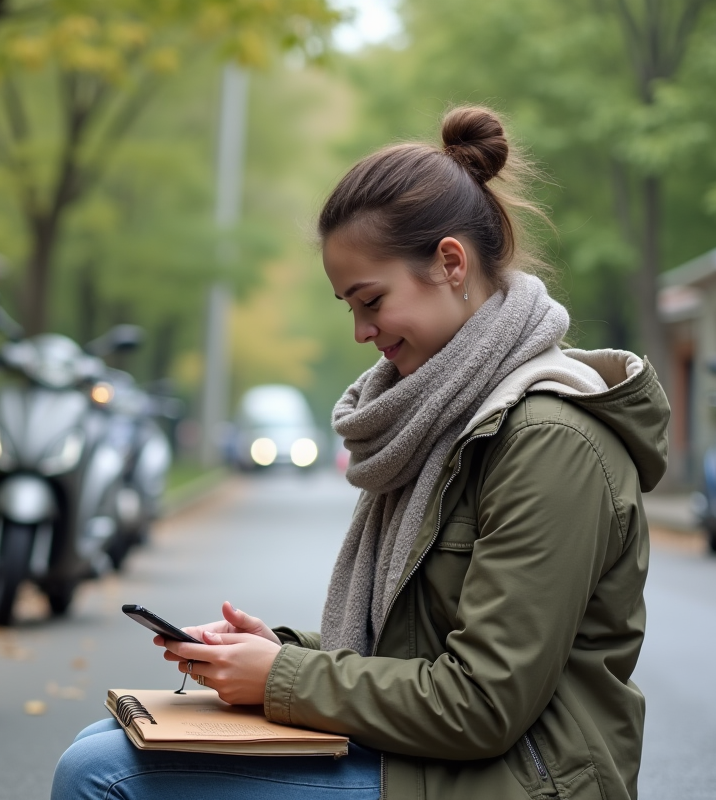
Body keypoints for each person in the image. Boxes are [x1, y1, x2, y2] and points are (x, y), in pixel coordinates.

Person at [51, 105, 669, 800]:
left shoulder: (548, 440)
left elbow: (483, 706)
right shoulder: (442, 413)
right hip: (445, 761)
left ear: (450, 263)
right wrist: (283, 654)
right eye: (349, 306)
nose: (360, 331)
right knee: (103, 739)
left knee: (98, 774)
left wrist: (279, 678)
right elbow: (416, 651)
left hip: (515, 779)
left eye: (370, 301)